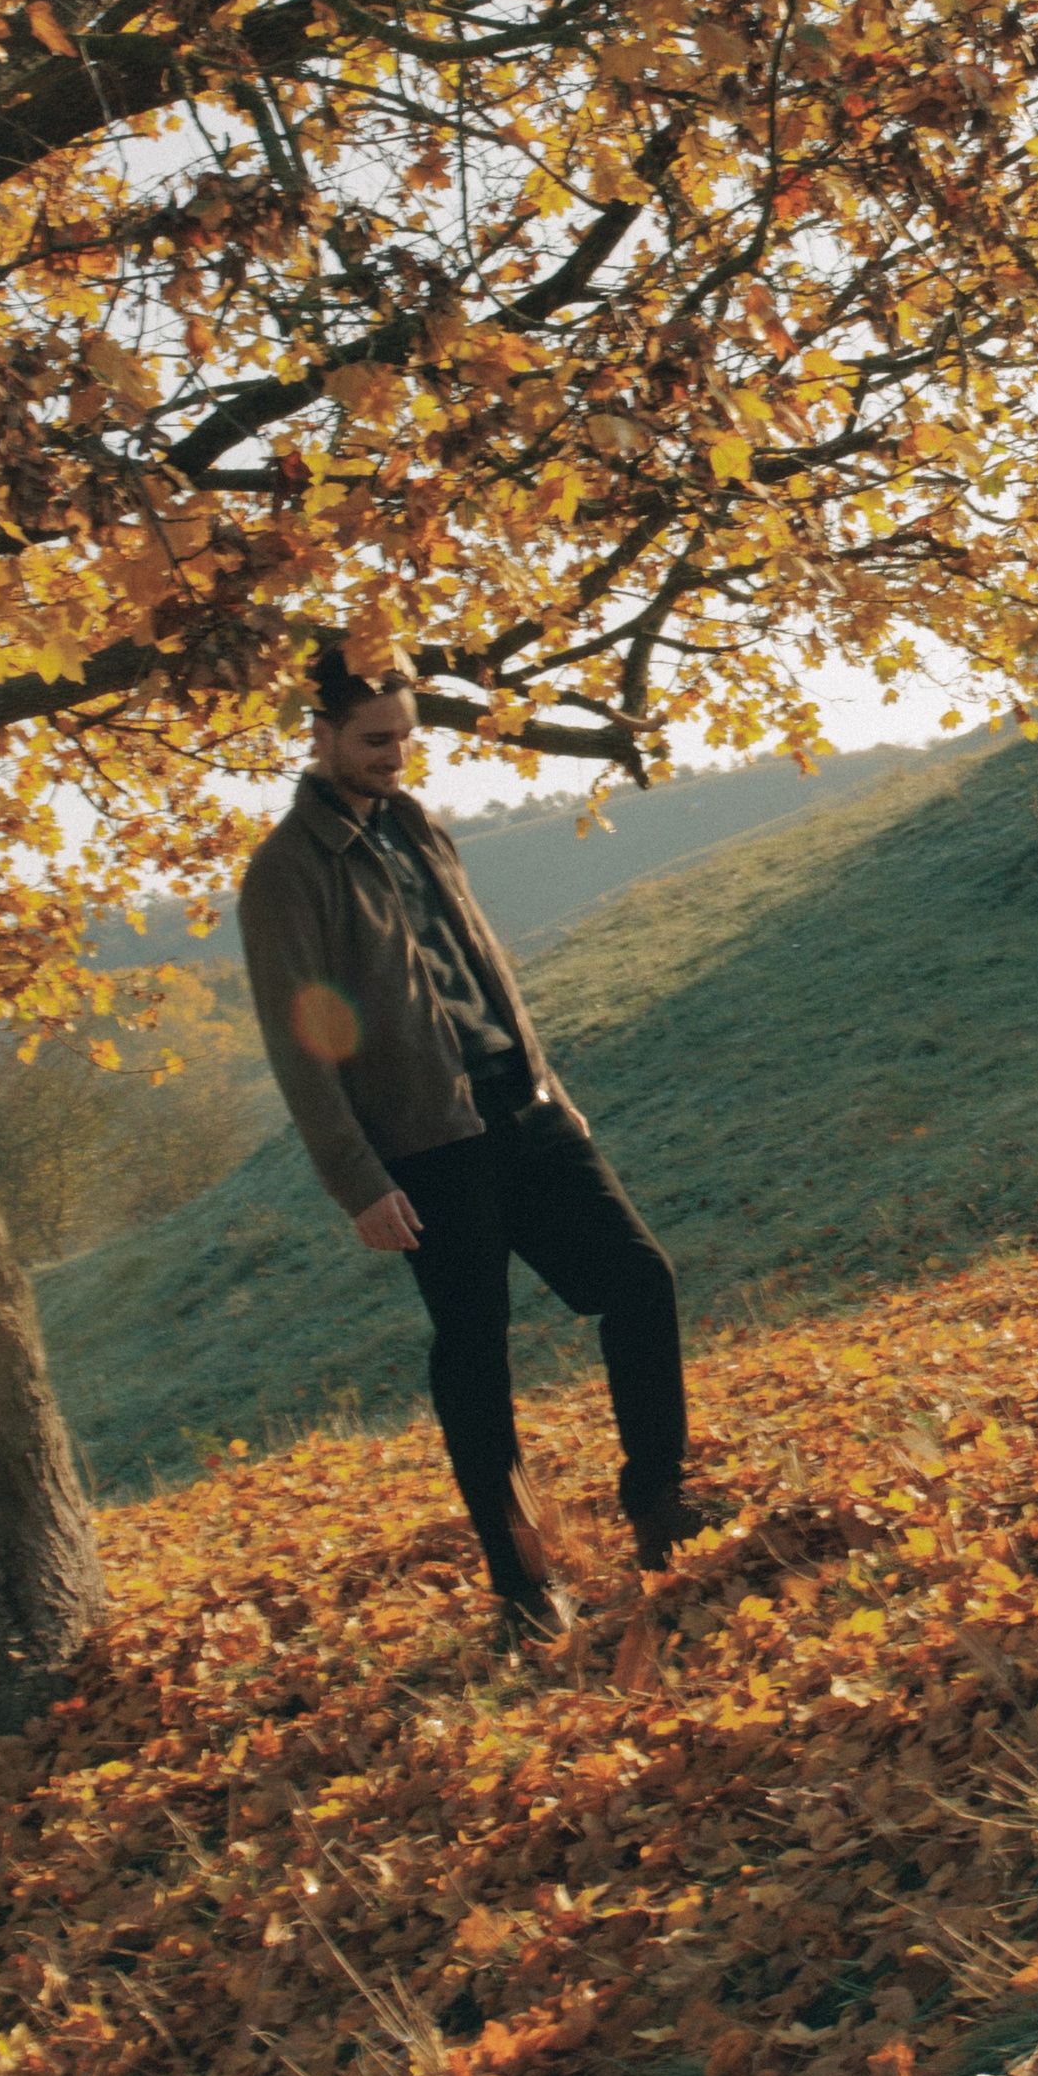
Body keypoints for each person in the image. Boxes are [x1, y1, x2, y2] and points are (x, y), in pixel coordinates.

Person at [237, 646, 701, 1635]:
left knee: (637, 1278)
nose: (395, 755)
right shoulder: (287, 871)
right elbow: (299, 1039)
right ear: (317, 739)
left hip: (522, 1110)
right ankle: (523, 1582)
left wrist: (554, 1093)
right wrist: (356, 1180)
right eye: (373, 741)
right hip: (425, 1143)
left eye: (405, 736)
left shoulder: (416, 829)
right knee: (477, 1356)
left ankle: (661, 1508)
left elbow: (485, 970)